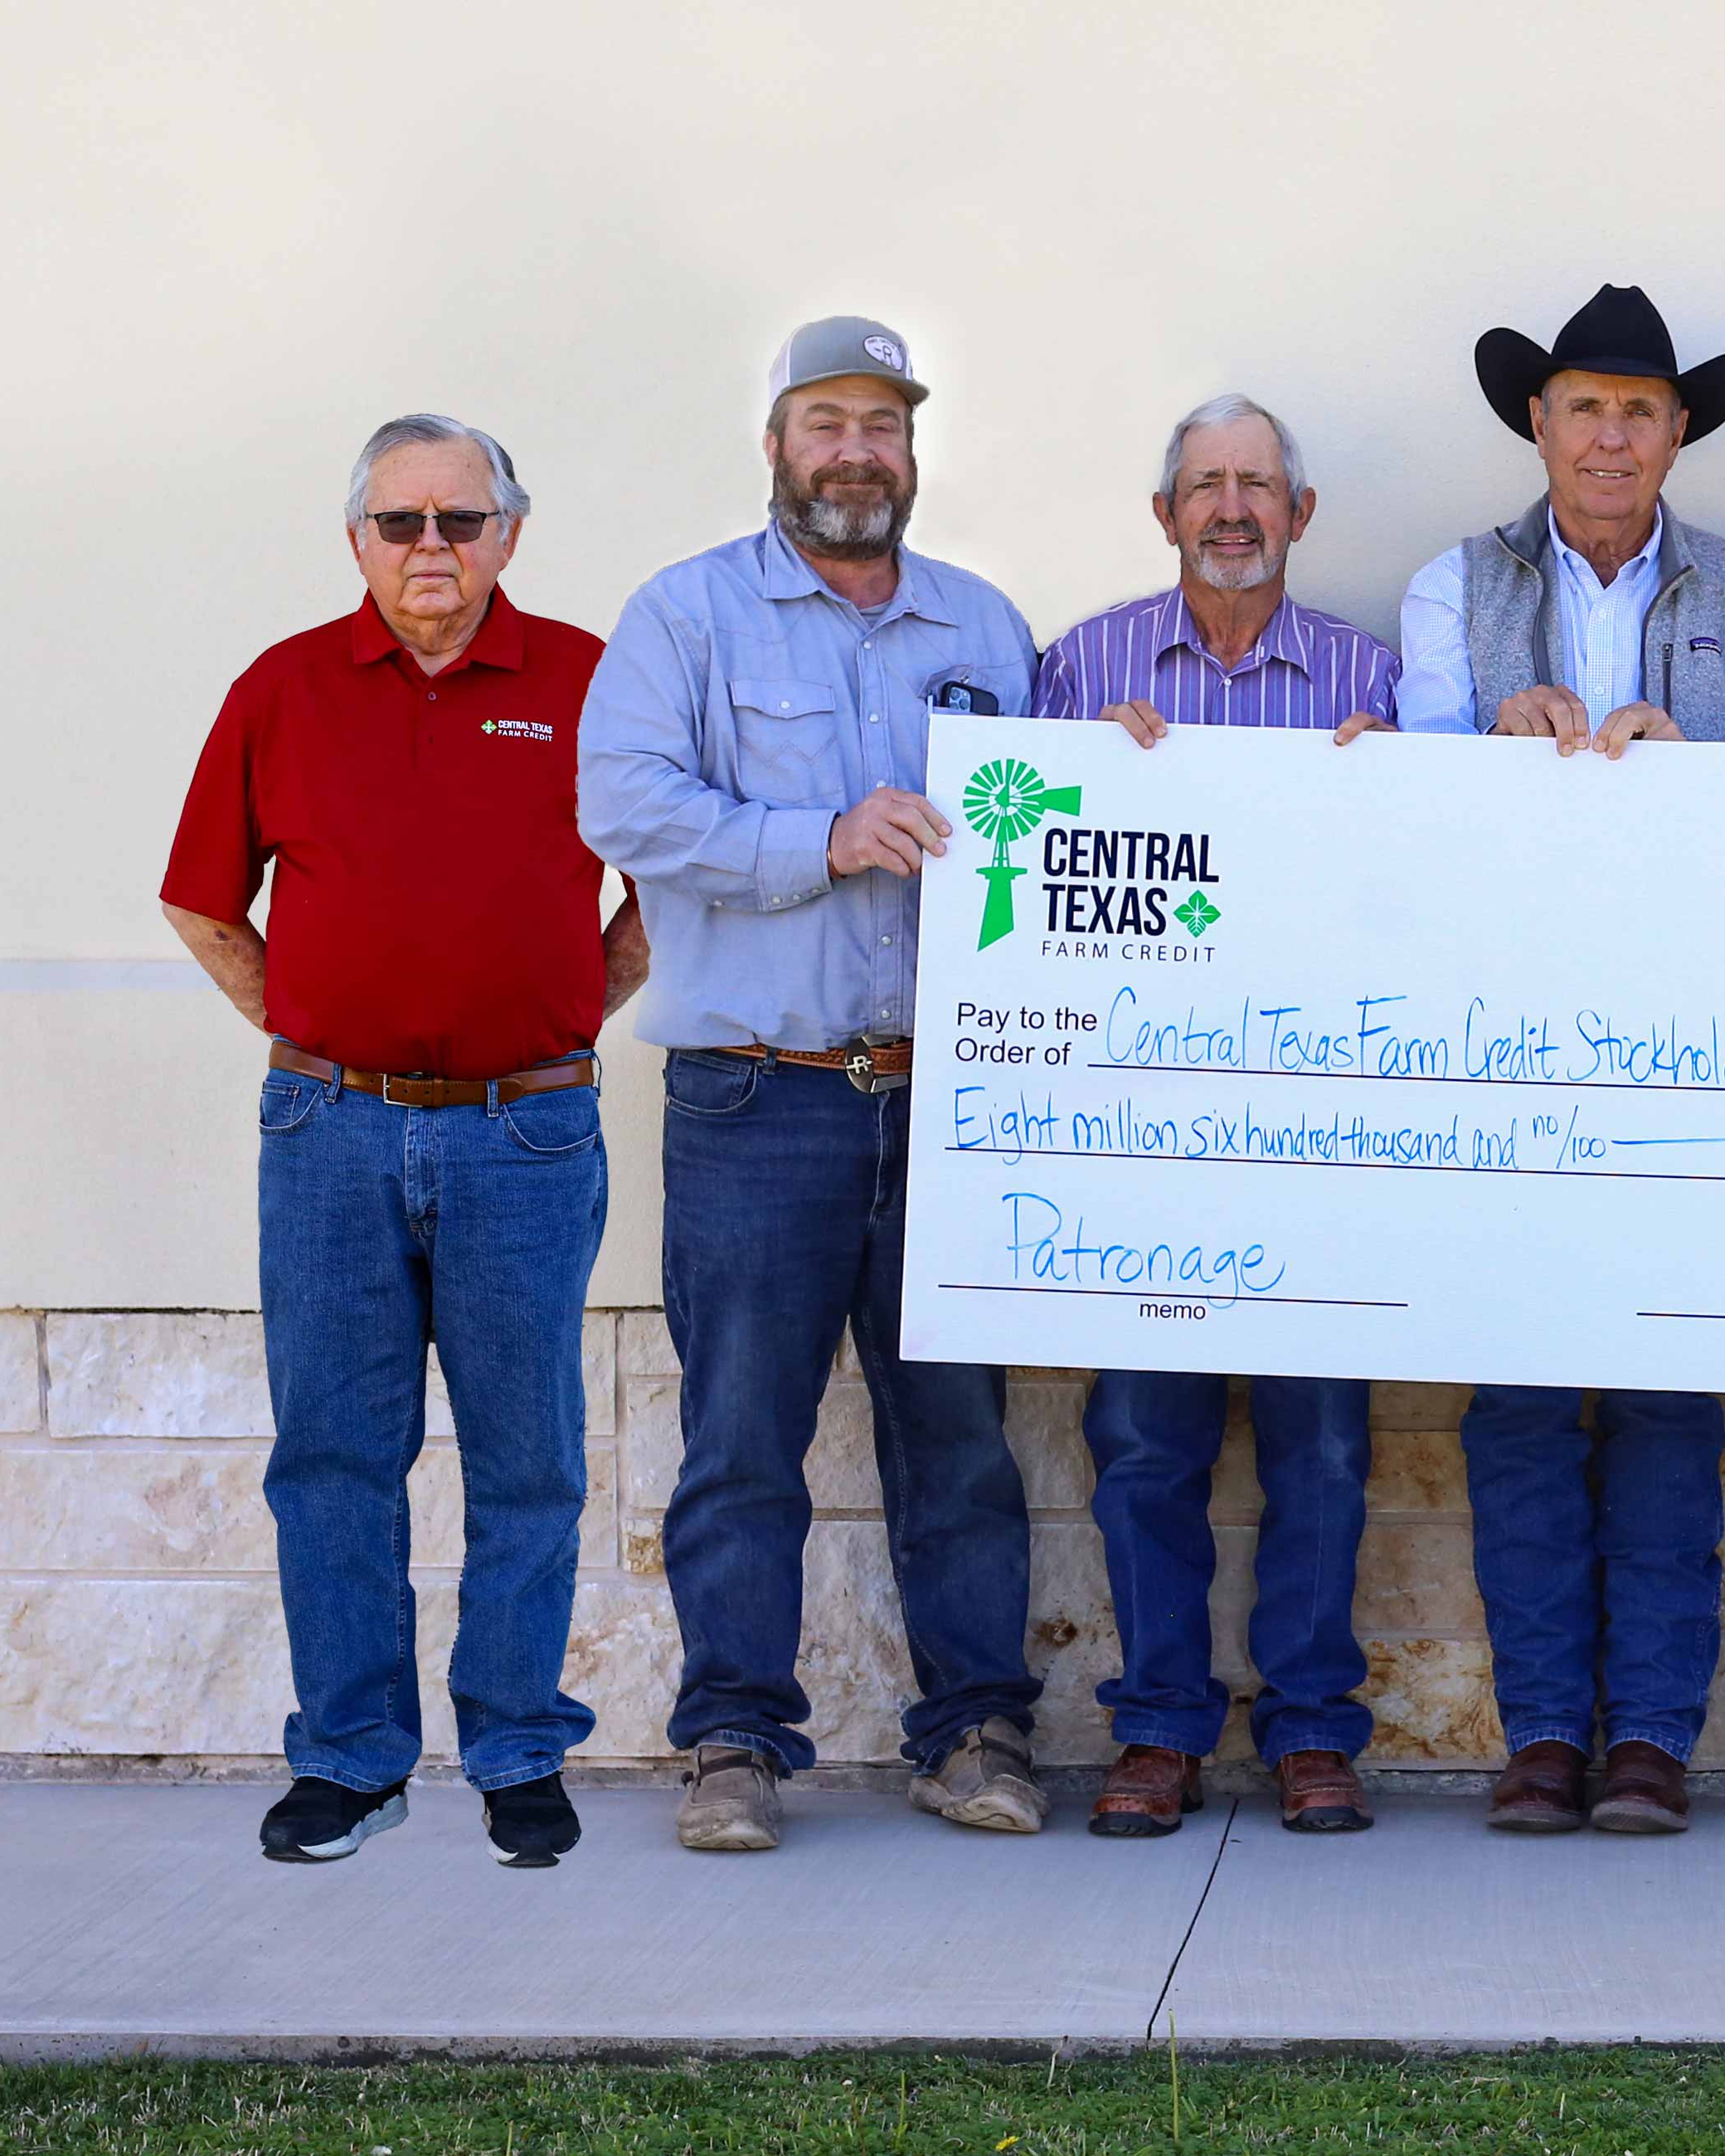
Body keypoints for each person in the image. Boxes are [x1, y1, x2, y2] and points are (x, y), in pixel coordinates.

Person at [577, 317, 1045, 1852]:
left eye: (883, 427)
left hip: (948, 1098)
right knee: (740, 1438)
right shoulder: (686, 615)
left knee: (959, 1439)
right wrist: (818, 841)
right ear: (776, 443)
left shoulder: (983, 627)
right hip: (754, 1098)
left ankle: (975, 1731)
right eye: (826, 423)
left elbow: (1053, 832)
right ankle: (731, 1742)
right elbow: (623, 801)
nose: (857, 453)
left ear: (914, 451)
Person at [163, 413, 644, 1867]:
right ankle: (353, 1757)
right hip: (329, 1131)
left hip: (530, 1134)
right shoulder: (285, 687)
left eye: (459, 520)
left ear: (510, 531)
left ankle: (513, 1752)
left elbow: (672, 880)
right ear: (356, 538)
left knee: (529, 1461)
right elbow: (199, 899)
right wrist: (304, 1032)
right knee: (331, 1455)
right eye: (400, 523)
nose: (429, 549)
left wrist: (574, 1018)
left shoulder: (588, 681)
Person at [1397, 282, 1725, 1833]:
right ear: (1538, 424)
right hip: (1499, 1060)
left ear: (1678, 429)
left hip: (1692, 1064)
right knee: (1514, 1413)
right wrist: (1501, 750)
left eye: (1641, 408)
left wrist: (1688, 785)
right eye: (1585, 406)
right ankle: (1542, 1734)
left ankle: (1650, 1738)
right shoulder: (1453, 588)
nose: (1613, 434)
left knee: (1662, 1412)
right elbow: (1411, 812)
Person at [1037, 392, 1397, 1837]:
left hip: (1321, 1135)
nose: (1232, 508)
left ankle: (1314, 1729)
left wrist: (1405, 793)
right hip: (1143, 1146)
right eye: (1206, 486)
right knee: (1143, 1448)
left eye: (1259, 485)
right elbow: (1018, 869)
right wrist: (1078, 788)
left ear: (1300, 516)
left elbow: (1443, 898)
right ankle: (1162, 1730)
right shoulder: (1080, 669)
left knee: (1320, 1450)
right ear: (1165, 514)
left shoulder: (1376, 679)